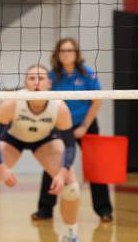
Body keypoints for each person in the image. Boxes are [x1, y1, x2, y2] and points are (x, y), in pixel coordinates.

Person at [0, 65, 81, 242]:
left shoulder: (59, 107)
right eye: (32, 78)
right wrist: (2, 168)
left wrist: (63, 171)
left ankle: (71, 235)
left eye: (40, 78)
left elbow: (70, 146)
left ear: (49, 82)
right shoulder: (12, 102)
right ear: (25, 82)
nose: (36, 83)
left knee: (71, 187)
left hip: (45, 141)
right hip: (13, 139)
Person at [33, 38, 113, 222]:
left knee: (96, 166)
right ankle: (45, 210)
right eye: (62, 51)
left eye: (69, 50)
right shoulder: (52, 76)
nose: (66, 53)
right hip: (61, 124)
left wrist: (85, 126)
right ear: (57, 55)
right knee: (53, 164)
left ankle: (104, 210)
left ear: (76, 53)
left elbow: (97, 100)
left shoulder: (87, 74)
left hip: (86, 123)